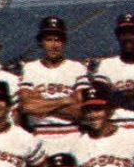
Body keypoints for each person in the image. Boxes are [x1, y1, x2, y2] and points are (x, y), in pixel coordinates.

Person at [18, 16, 87, 148]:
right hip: (40, 135)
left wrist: (41, 104)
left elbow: (80, 110)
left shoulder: (77, 68)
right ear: (41, 42)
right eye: (49, 40)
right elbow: (27, 106)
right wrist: (65, 100)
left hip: (72, 135)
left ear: (64, 42)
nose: (54, 45)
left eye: (57, 40)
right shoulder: (30, 68)